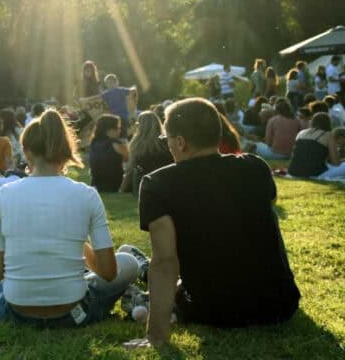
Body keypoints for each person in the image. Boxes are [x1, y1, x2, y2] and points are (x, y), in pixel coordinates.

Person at [127, 98, 299, 349]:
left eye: (167, 141)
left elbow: (165, 262)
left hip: (214, 310)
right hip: (279, 304)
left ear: (180, 142)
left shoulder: (157, 184)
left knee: (156, 270)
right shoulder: (255, 167)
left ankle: (149, 296)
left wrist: (155, 337)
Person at [0, 109, 140, 328]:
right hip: (74, 313)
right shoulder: (87, 195)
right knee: (128, 262)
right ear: (65, 150)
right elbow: (109, 272)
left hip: (16, 315)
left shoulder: (2, 195)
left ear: (26, 152)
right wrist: (78, 241)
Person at [120, 111, 172, 195]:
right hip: (167, 184)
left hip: (145, 185)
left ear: (139, 126)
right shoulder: (167, 142)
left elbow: (130, 171)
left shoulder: (137, 145)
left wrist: (121, 190)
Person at [288, 113, 339, 178]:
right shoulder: (328, 135)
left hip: (293, 171)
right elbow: (335, 162)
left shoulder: (301, 133)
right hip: (316, 173)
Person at [89, 114, 128, 193]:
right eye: (118, 128)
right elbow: (128, 159)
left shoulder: (93, 143)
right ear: (109, 130)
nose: (119, 130)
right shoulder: (116, 144)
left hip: (96, 185)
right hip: (114, 185)